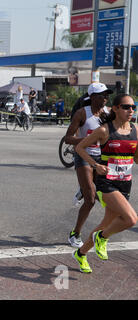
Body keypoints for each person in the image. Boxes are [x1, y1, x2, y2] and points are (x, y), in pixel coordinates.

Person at [73, 94, 138, 273]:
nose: (130, 110)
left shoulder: (135, 130)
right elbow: (79, 148)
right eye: (126, 107)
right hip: (106, 183)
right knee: (131, 219)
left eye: (133, 106)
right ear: (115, 108)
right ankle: (102, 238)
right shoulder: (104, 130)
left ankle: (81, 253)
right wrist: (96, 165)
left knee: (106, 223)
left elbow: (136, 158)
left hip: (125, 183)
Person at [64, 82, 113, 248]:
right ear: (92, 97)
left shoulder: (108, 113)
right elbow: (68, 138)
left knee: (107, 197)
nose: (105, 97)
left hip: (102, 158)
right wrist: (85, 140)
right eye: (101, 95)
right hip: (83, 156)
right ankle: (75, 234)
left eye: (107, 94)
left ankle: (83, 188)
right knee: (91, 199)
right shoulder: (81, 113)